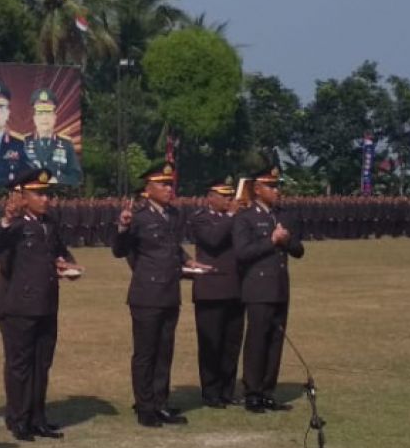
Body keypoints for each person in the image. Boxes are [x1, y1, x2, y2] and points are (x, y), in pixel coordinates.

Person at [0, 168, 80, 442]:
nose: (45, 199)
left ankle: (38, 418)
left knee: (41, 364)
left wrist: (66, 263)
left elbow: (59, 249)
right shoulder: (11, 224)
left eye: (46, 193)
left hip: (46, 303)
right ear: (21, 196)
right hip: (18, 306)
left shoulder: (49, 222)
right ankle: (18, 419)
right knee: (20, 365)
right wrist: (5, 220)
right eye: (38, 194)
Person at [111, 163, 201, 428]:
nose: (168, 188)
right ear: (148, 189)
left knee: (165, 352)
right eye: (162, 184)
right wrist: (122, 228)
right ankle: (145, 406)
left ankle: (161, 403)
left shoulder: (173, 214)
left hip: (170, 293)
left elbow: (172, 247)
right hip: (146, 295)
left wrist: (189, 261)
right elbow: (119, 251)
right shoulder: (137, 216)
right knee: (146, 353)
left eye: (169, 184)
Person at [233, 166, 305, 414]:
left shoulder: (284, 215)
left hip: (279, 287)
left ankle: (267, 391)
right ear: (257, 189)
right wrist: (271, 241)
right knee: (257, 341)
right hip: (257, 287)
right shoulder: (245, 217)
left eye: (277, 186)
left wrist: (286, 241)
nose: (277, 191)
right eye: (271, 186)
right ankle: (252, 392)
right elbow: (242, 253)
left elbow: (298, 250)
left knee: (276, 341)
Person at [188, 178, 245, 409]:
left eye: (231, 197)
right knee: (211, 343)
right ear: (211, 198)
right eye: (225, 197)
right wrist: (231, 217)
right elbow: (212, 240)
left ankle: (227, 390)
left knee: (232, 344)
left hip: (236, 288)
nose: (230, 201)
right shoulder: (201, 217)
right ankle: (210, 391)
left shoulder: (238, 219)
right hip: (211, 289)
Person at [23, 89, 82, 186]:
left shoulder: (66, 144)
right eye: (40, 113)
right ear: (34, 118)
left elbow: (76, 177)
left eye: (48, 113)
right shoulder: (23, 143)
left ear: (55, 117)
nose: (44, 118)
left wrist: (58, 180)